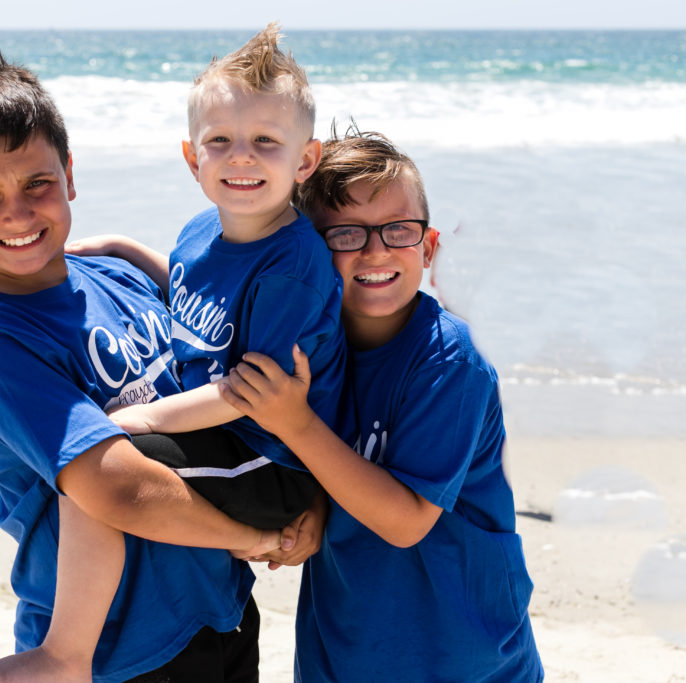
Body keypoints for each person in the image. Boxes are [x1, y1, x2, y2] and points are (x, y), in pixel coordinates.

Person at [0, 54, 317, 683]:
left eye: (37, 184)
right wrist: (260, 538)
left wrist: (302, 511)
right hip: (118, 651)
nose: (18, 214)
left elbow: (207, 323)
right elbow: (115, 487)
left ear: (69, 176)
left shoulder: (117, 277)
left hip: (220, 608)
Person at [48, 21, 347, 680]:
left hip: (268, 459)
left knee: (96, 465)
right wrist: (129, 248)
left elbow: (246, 393)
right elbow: (192, 296)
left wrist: (145, 419)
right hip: (222, 440)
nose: (241, 158)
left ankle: (65, 650)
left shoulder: (293, 264)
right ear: (193, 158)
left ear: (305, 160)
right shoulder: (200, 229)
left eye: (266, 142)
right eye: (221, 141)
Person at [221, 125, 544, 681]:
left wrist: (295, 424)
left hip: (462, 654)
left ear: (429, 247)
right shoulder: (310, 351)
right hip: (343, 647)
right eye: (344, 234)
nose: (375, 250)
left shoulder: (449, 361)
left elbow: (406, 520)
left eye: (398, 230)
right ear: (307, 253)